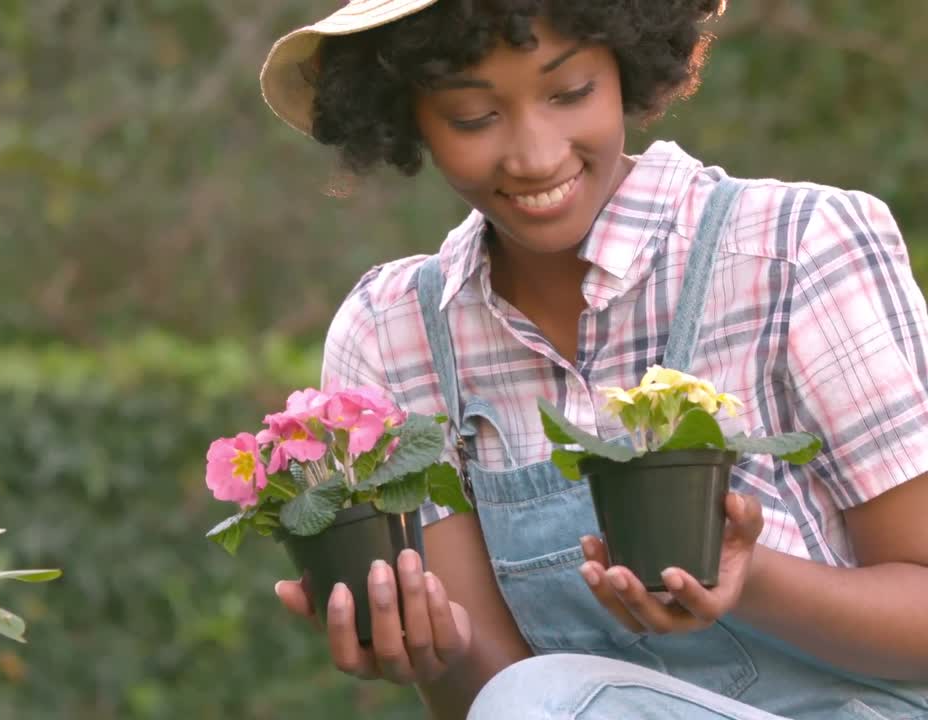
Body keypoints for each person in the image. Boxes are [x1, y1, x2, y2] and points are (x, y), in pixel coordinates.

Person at [259, 1, 928, 718]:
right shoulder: (394, 335)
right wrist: (437, 650)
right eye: (473, 117)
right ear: (406, 116)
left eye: (571, 92)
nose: (536, 155)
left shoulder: (794, 250)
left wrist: (748, 576)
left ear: (624, 63)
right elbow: (502, 703)